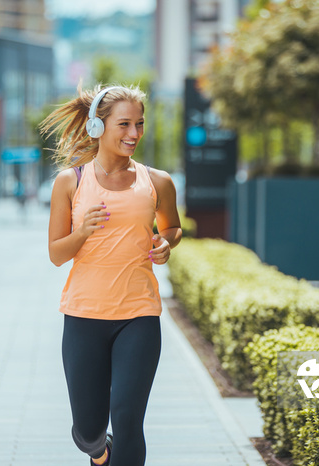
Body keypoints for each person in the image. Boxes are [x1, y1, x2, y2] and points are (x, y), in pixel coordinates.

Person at [40, 84, 182, 466]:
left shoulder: (157, 181)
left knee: (127, 418)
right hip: (84, 315)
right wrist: (82, 232)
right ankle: (101, 454)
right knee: (88, 431)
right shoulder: (70, 182)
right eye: (124, 125)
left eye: (139, 124)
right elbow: (56, 254)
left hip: (138, 314)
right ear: (98, 127)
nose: (134, 134)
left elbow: (172, 228)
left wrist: (166, 244)